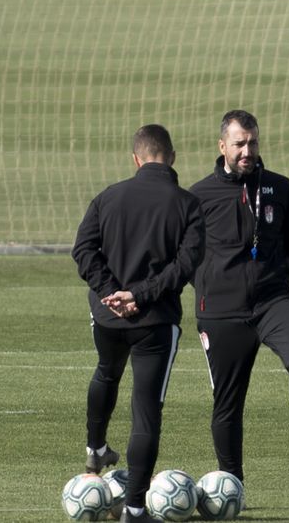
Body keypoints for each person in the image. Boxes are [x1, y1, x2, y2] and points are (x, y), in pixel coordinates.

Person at [188, 109, 289, 494]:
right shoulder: (197, 196)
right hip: (221, 312)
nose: (247, 151)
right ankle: (232, 481)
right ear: (222, 146)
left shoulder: (280, 188)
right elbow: (182, 254)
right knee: (228, 402)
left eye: (252, 142)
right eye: (239, 144)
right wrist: (208, 286)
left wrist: (276, 278)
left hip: (273, 301)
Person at [72, 123, 205, 523]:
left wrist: (112, 292)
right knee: (146, 410)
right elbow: (186, 266)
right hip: (155, 322)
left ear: (136, 158)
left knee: (106, 373)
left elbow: (83, 251)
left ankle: (95, 449)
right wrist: (140, 295)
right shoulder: (188, 204)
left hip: (107, 316)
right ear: (172, 156)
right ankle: (133, 509)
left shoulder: (107, 197)